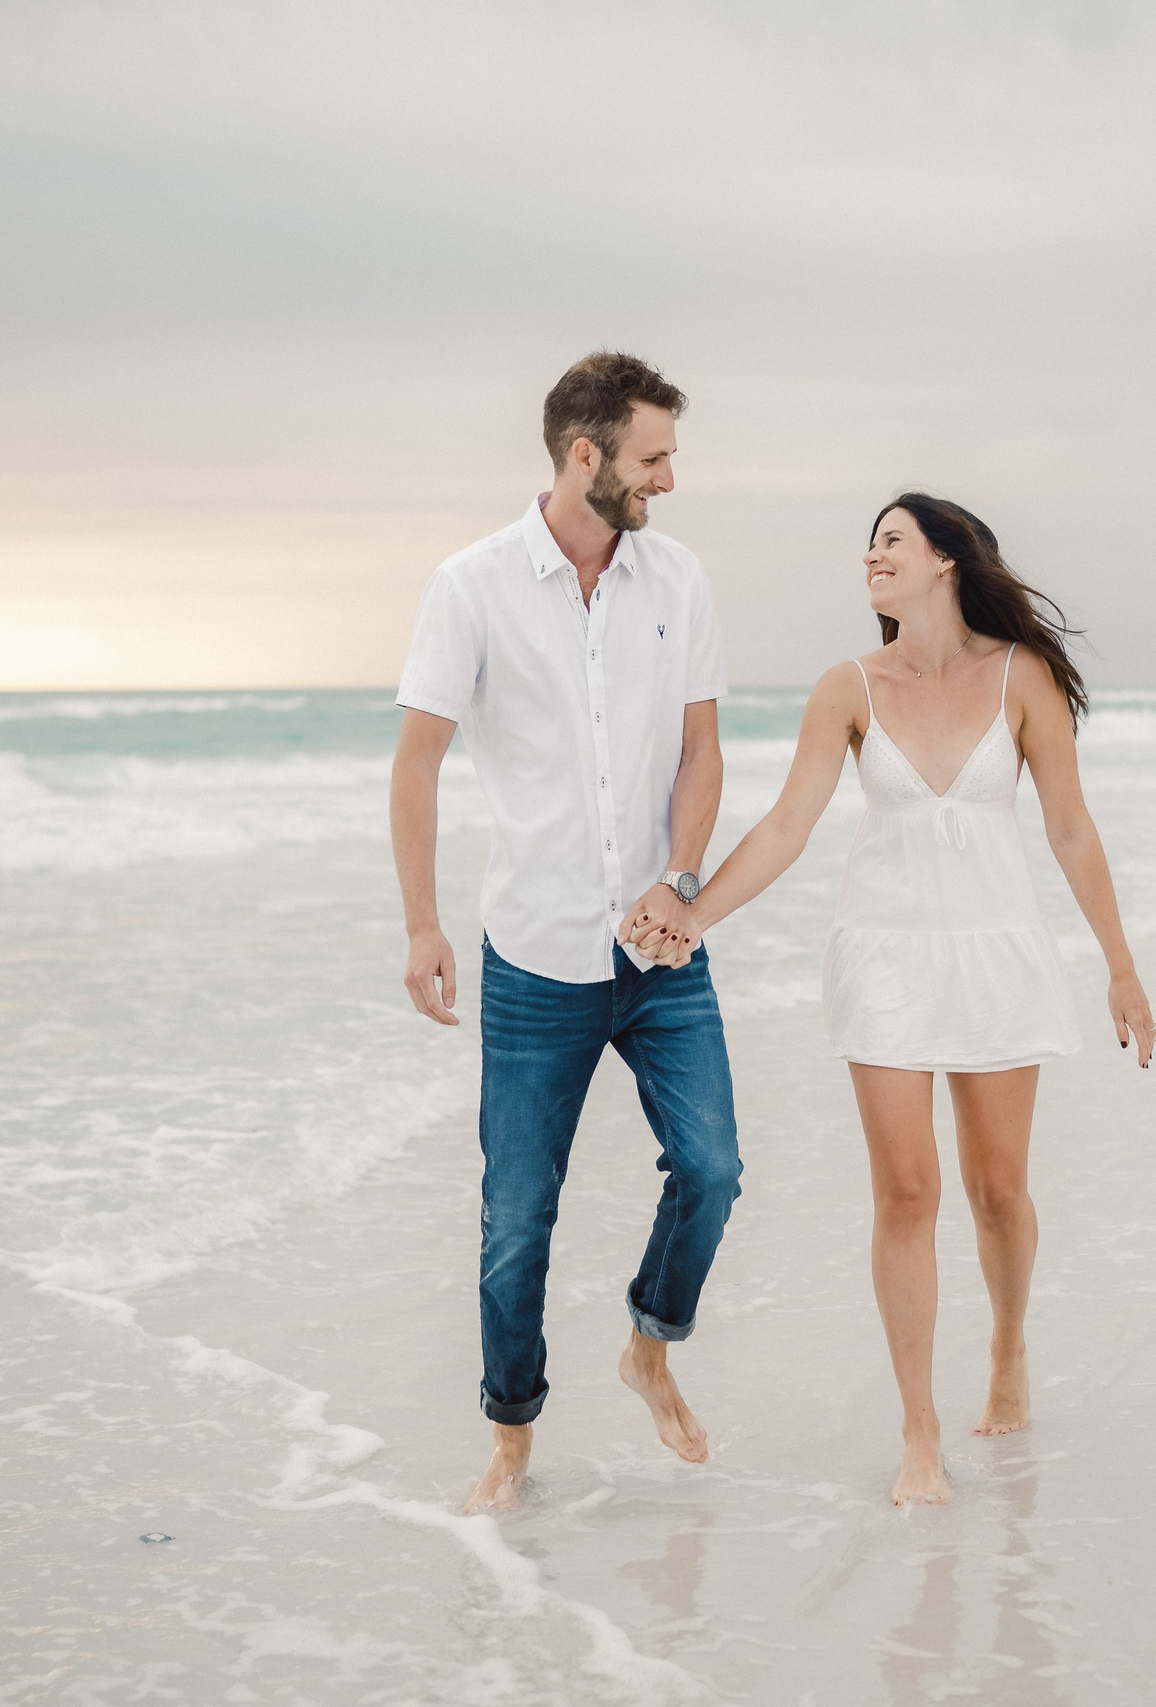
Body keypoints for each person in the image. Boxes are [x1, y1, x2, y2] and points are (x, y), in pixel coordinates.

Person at [622, 493, 1154, 1505]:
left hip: (996, 952)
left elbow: (1072, 830)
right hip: (886, 958)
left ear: (948, 561)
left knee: (998, 1189)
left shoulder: (1022, 679)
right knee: (907, 1195)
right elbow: (785, 826)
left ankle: (1006, 1347)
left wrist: (1120, 966)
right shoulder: (847, 687)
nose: (872, 555)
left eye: (893, 540)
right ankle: (918, 1430)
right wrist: (695, 914)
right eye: (868, 542)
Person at [390, 351, 740, 1515]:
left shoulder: (676, 580)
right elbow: (418, 764)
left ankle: (650, 1342)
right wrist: (422, 924)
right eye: (654, 459)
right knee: (516, 1220)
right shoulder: (471, 585)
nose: (670, 481)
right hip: (533, 955)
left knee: (713, 1168)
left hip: (658, 947)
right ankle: (511, 1434)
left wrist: (682, 883)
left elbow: (700, 751)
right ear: (583, 456)